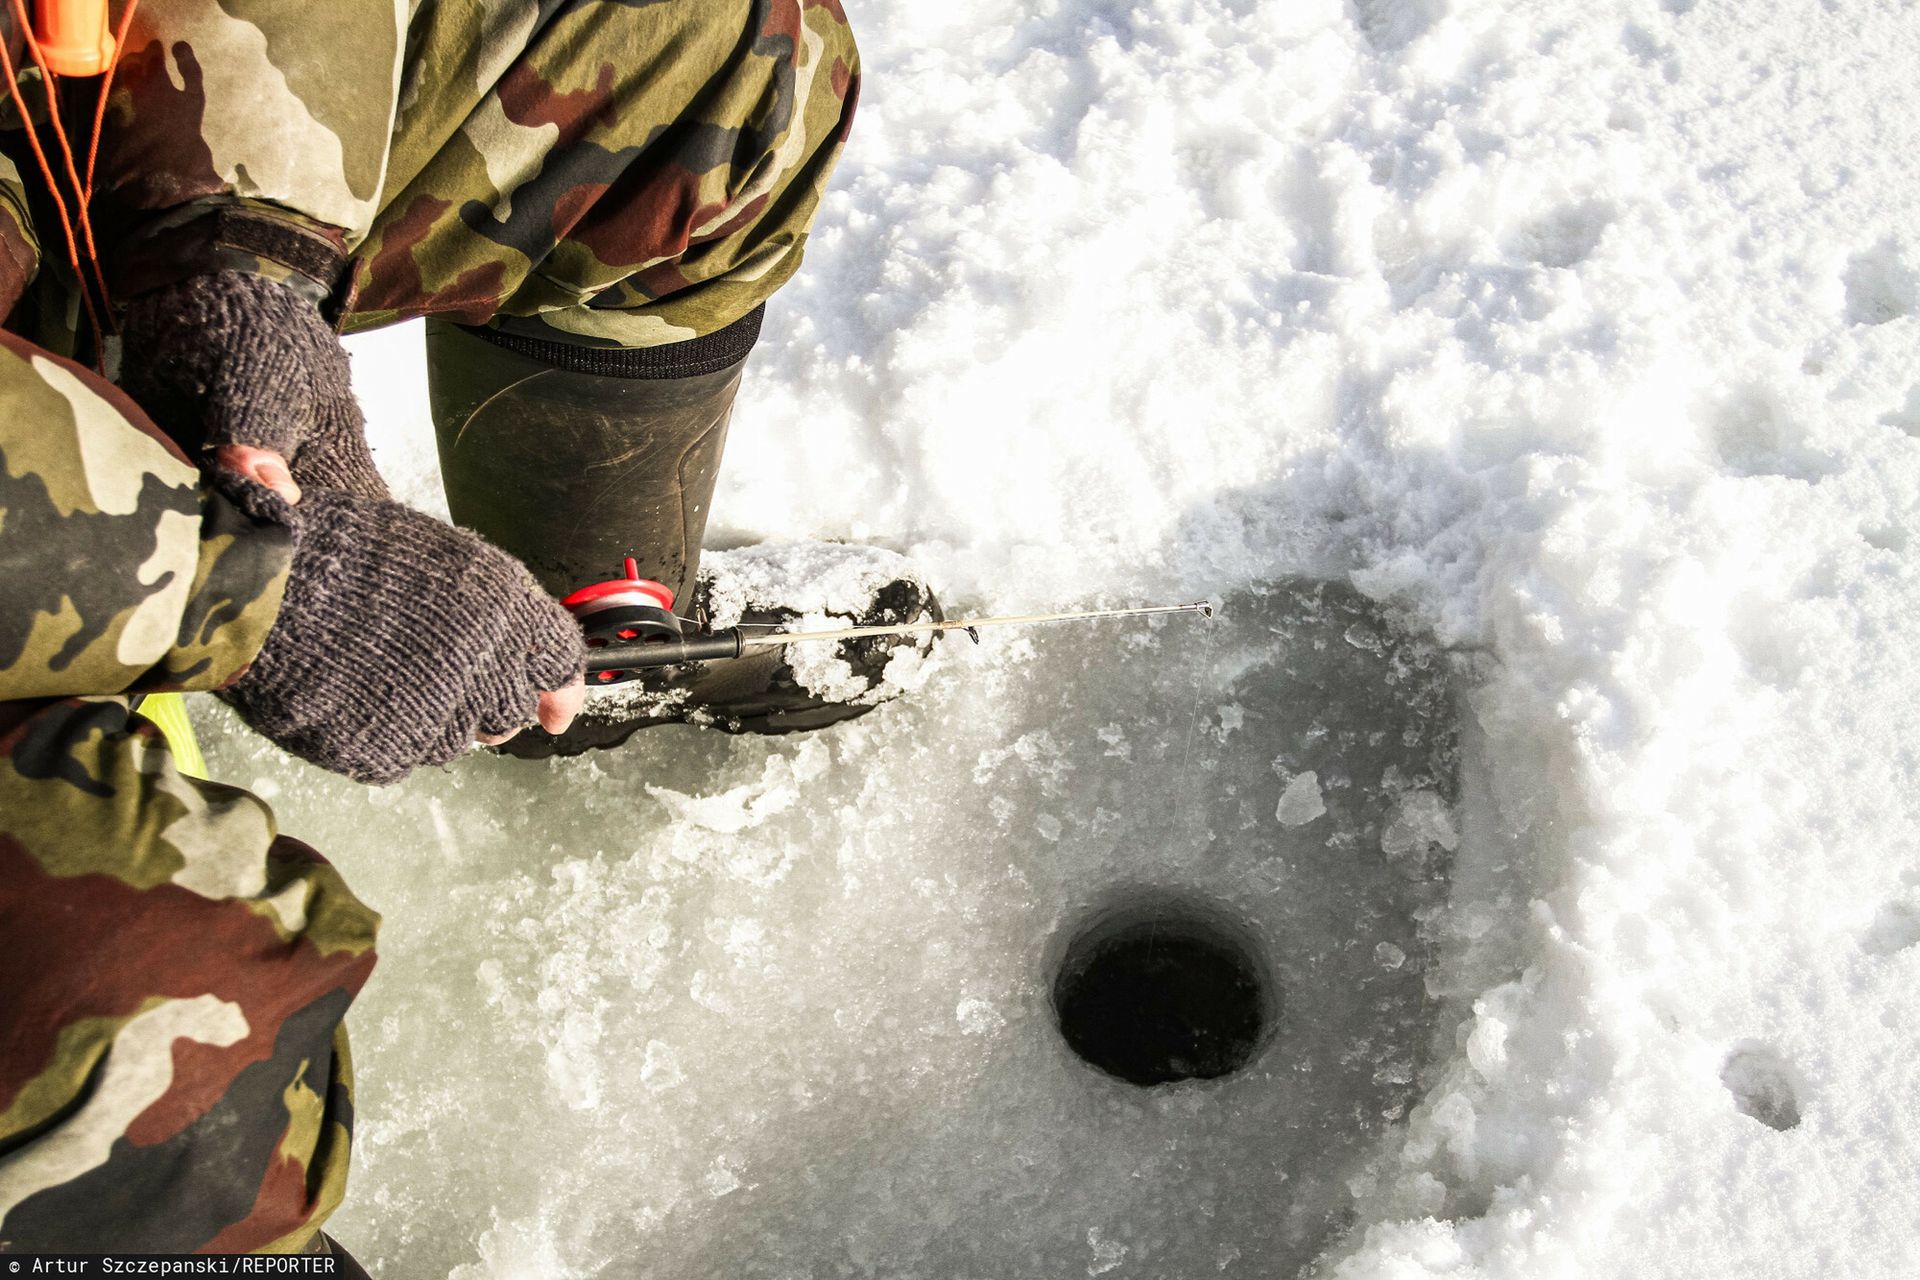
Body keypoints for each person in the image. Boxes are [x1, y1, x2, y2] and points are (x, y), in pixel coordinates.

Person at [0, 0, 931, 1259]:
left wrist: (236, 262)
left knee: (722, 72)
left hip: (42, 187)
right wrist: (234, 580)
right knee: (147, 1032)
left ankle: (588, 650)